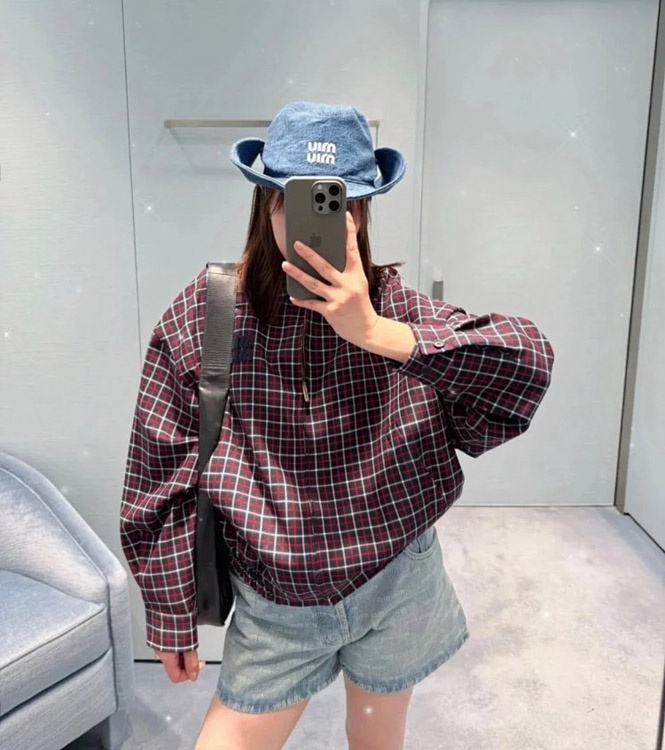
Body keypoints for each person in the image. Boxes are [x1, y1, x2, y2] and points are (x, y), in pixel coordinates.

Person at [119, 100, 555, 750]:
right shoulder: (208, 312)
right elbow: (158, 472)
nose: (316, 224)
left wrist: (375, 332)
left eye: (339, 204)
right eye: (296, 202)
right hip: (276, 599)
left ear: (361, 215)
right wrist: (170, 611)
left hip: (396, 578)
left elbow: (527, 361)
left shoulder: (394, 307)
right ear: (266, 205)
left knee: (375, 741)